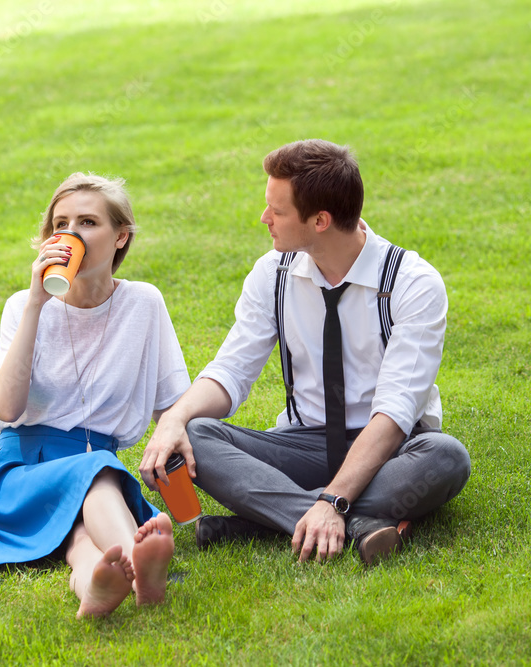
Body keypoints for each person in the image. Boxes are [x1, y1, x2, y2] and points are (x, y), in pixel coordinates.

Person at [140, 139, 471, 565]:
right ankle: (352, 526)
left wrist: (332, 500)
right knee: (198, 435)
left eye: (276, 212)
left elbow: (394, 414)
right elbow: (232, 370)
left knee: (447, 456)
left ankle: (262, 525)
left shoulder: (412, 283)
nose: (264, 220)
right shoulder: (272, 274)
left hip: (391, 448)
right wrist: (175, 419)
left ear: (320, 220)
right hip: (304, 444)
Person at [0, 173, 190, 618]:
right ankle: (140, 566)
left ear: (120, 237)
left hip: (98, 470)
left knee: (79, 540)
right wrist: (37, 303)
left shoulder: (144, 304)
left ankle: (97, 585)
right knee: (96, 473)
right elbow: (6, 408)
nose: (71, 234)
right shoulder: (23, 306)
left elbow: (172, 402)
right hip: (21, 472)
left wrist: (174, 456)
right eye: (62, 224)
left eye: (88, 222)